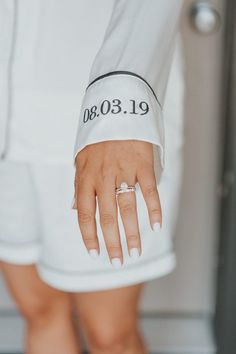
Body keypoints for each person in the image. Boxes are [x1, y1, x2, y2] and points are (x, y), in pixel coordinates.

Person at [0, 0, 185, 353]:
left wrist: (121, 100)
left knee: (109, 335)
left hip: (96, 121)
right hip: (7, 114)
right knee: (39, 311)